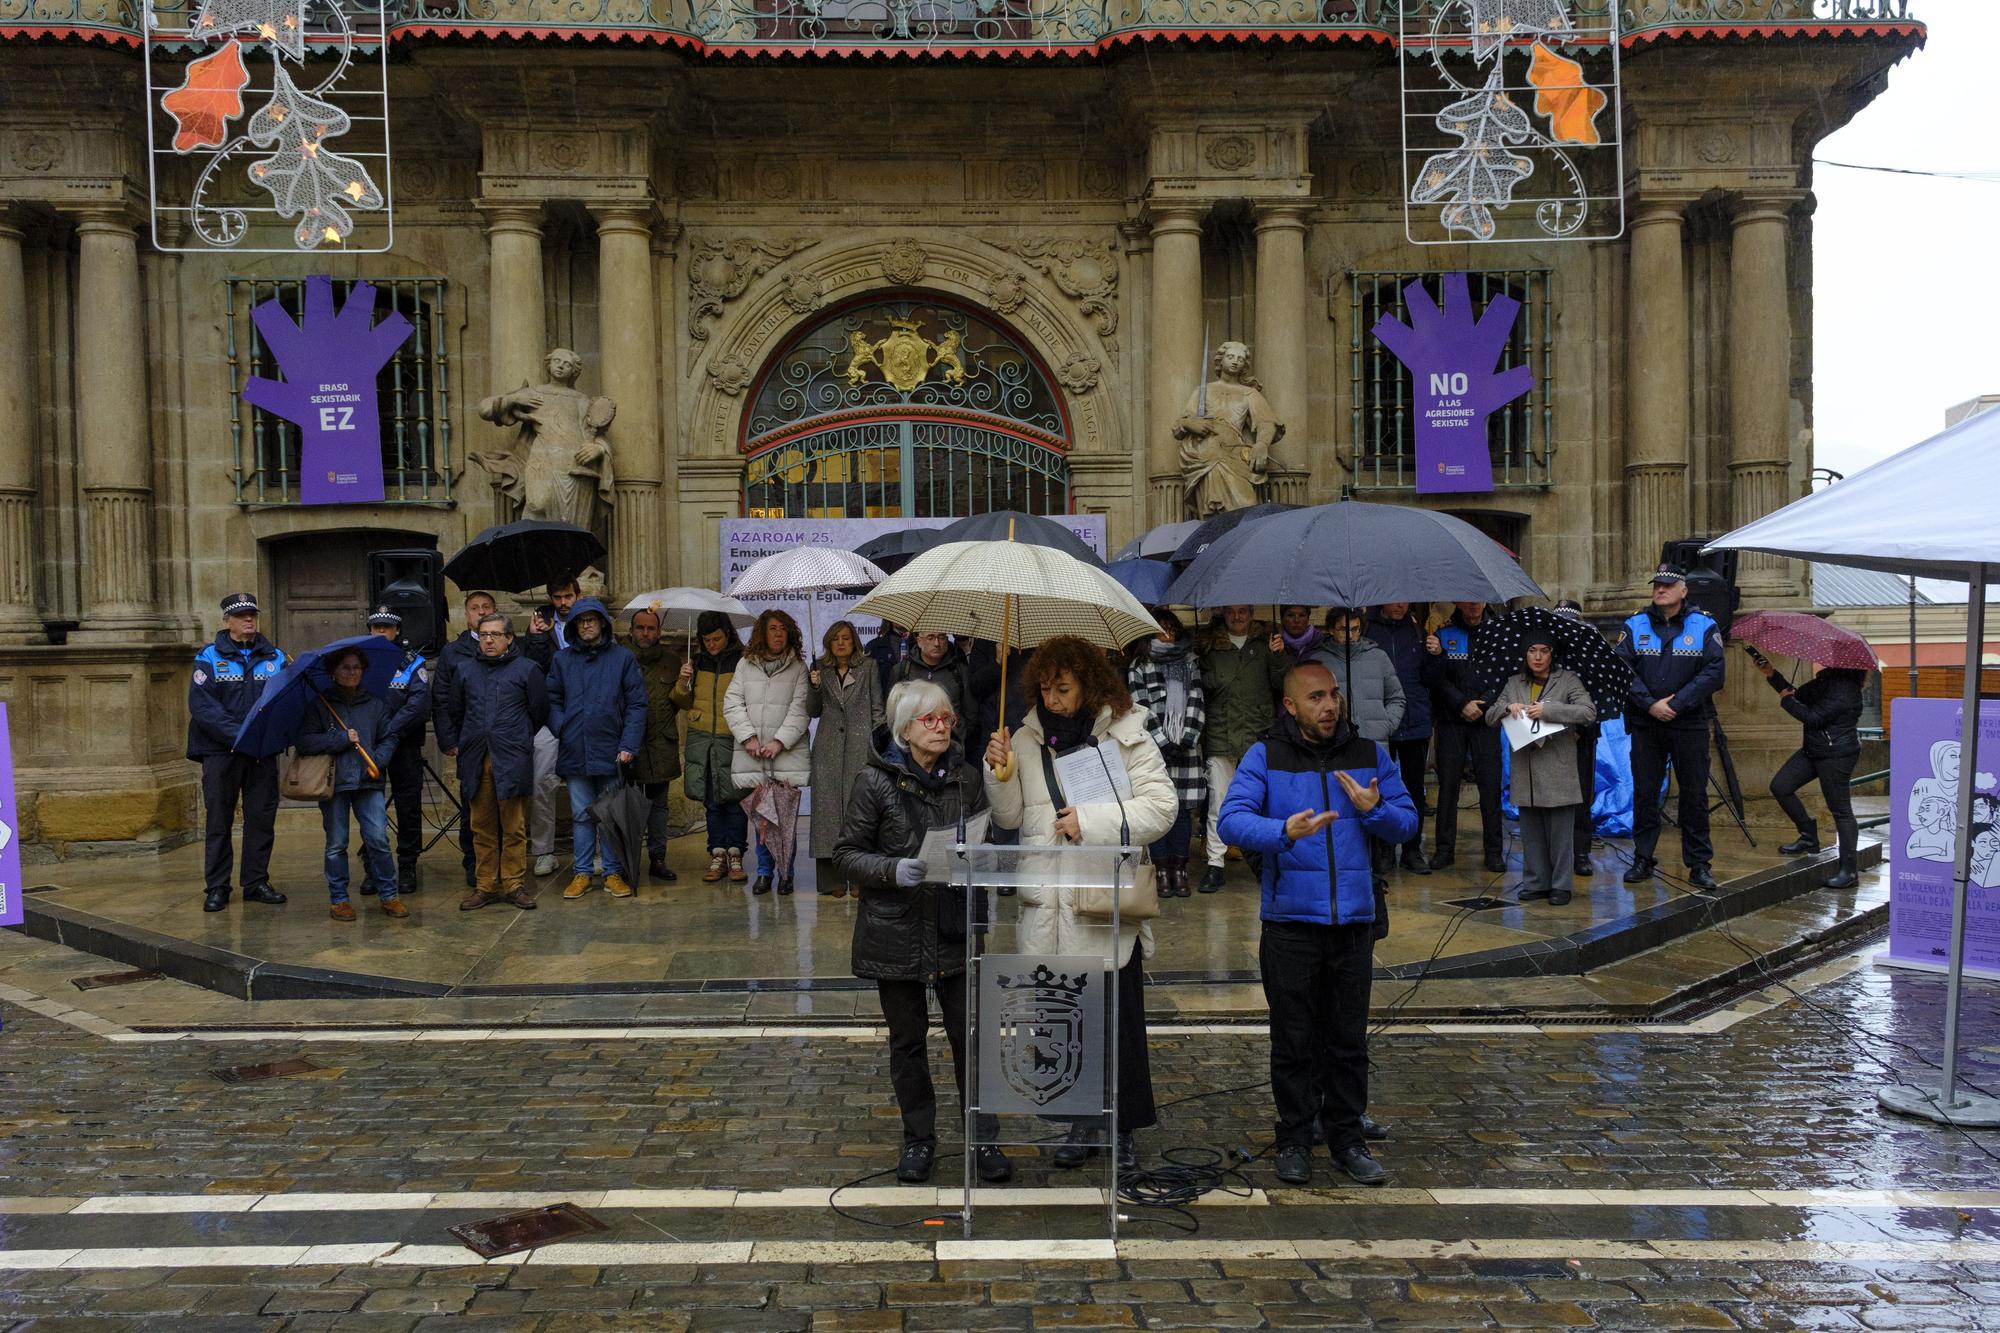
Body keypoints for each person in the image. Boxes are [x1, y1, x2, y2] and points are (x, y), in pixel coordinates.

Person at [1217, 661, 1418, 1187]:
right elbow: (1231, 820)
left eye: (1333, 695)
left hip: (1352, 920)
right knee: (1294, 1040)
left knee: (1348, 1040)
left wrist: (1375, 810)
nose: (1329, 706)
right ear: (1290, 705)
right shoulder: (1265, 755)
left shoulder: (1369, 754)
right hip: (1289, 922)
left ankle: (1346, 1138)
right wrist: (1281, 829)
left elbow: (1407, 822)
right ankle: (1294, 1137)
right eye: (1315, 698)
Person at [984, 636, 1178, 1172]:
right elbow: (1007, 818)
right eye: (1044, 687)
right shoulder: (1024, 738)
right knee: (1065, 1021)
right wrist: (997, 772)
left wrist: (1088, 824)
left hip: (1102, 903)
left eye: (1063, 688)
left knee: (1117, 1021)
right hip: (1047, 906)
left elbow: (1163, 809)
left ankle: (1124, 1128)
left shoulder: (1127, 733)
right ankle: (1081, 1119)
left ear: (1088, 685)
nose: (1051, 698)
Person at [835, 678, 1011, 1187]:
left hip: (954, 924)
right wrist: (893, 870)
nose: (941, 727)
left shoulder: (967, 778)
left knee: (970, 1038)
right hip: (897, 928)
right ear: (904, 728)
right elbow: (846, 853)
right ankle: (918, 1139)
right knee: (907, 1041)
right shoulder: (874, 782)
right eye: (930, 720)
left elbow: (991, 836)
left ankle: (983, 1136)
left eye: (947, 718)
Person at [1615, 567, 1726, 890]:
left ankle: (1699, 864)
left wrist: (1676, 704)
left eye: (1667, 585)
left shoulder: (1704, 624)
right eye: (1657, 585)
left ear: (1683, 590)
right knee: (1645, 793)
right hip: (1646, 722)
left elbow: (1714, 673)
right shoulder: (1635, 624)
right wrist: (1649, 703)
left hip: (1689, 722)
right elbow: (1621, 670)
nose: (1660, 590)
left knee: (1694, 795)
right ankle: (1643, 857)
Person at [188, 592, 290, 914]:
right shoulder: (207, 658)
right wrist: (242, 734)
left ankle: (256, 882)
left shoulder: (275, 656)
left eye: (252, 614)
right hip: (221, 752)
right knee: (219, 819)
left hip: (261, 752)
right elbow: (204, 708)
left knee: (261, 818)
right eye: (242, 615)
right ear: (226, 621)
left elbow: (286, 700)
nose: (249, 620)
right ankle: (217, 886)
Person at [437, 613, 547, 910]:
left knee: (513, 826)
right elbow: (456, 710)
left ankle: (513, 884)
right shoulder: (464, 671)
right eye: (484, 634)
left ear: (509, 638)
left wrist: (516, 736)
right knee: (481, 826)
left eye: (496, 635)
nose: (488, 640)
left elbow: (538, 712)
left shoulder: (527, 670)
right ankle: (485, 885)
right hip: (476, 757)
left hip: (511, 756)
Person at [294, 647, 410, 921]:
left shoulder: (375, 704)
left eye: (356, 667)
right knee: (336, 843)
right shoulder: (321, 705)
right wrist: (340, 739)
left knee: (378, 839)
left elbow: (389, 737)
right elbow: (305, 741)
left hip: (369, 781)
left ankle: (389, 895)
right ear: (334, 672)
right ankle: (339, 899)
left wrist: (379, 762)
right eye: (345, 667)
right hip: (334, 785)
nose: (351, 672)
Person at [1487, 630, 1597, 906]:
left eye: (1544, 651)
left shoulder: (1568, 680)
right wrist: (1506, 707)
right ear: (1525, 654)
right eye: (1532, 650)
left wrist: (1549, 710)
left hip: (1557, 765)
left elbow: (1587, 712)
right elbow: (1490, 715)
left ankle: (1561, 885)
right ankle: (1536, 881)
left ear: (1552, 654)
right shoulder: (1514, 682)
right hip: (1526, 767)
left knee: (1560, 833)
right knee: (1531, 830)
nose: (1537, 656)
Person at [548, 597, 647, 900]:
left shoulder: (622, 659)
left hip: (611, 749)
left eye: (592, 619)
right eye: (580, 620)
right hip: (575, 747)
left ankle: (613, 872)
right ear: (574, 626)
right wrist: (562, 727)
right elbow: (551, 698)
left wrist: (629, 743)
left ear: (603, 622)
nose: (586, 624)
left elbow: (636, 704)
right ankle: (582, 873)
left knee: (610, 815)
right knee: (580, 814)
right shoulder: (562, 661)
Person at [1752, 647, 1866, 890]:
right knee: (1781, 786)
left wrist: (1785, 700)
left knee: (1841, 810)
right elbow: (1797, 695)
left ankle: (1849, 871)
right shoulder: (1827, 680)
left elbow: (1812, 717)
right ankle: (1808, 836)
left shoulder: (1846, 690)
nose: (1824, 657)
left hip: (1836, 755)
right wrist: (1772, 674)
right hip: (1814, 749)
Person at [1197, 605, 1290, 894]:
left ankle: (1261, 861)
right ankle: (1215, 863)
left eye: (1243, 612)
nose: (1237, 617)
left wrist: (1278, 657)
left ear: (1251, 613)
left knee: (1261, 802)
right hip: (1221, 732)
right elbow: (1206, 687)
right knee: (1218, 801)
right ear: (1224, 614)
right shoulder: (1210, 647)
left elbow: (1281, 685)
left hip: (1256, 732)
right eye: (1232, 612)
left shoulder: (1266, 645)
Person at [1312, 608, 1406, 883]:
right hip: (1336, 746)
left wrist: (1385, 725)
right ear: (1331, 629)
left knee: (1378, 801)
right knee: (1341, 804)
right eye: (1343, 629)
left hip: (1374, 742)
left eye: (1355, 629)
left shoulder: (1377, 657)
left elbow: (1397, 697)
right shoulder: (1319, 660)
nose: (1350, 635)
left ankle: (1382, 859)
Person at [724, 608, 812, 896]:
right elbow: (732, 703)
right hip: (754, 755)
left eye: (783, 629)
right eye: (773, 628)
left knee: (784, 819)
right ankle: (764, 873)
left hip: (785, 755)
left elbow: (801, 709)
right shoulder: (744, 665)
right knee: (762, 819)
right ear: (763, 632)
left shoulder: (799, 667)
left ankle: (786, 872)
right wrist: (748, 737)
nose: (778, 634)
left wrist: (779, 741)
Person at [1127, 609, 1206, 899]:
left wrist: (1185, 739)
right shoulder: (1140, 665)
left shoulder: (1190, 662)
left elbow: (1197, 700)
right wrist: (1162, 742)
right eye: (1161, 628)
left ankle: (1179, 869)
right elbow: (1140, 707)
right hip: (1153, 748)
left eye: (1172, 627)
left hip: (1185, 748)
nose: (1168, 633)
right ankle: (1161, 869)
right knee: (1157, 807)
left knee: (1183, 810)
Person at [1424, 600, 1507, 873]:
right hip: (1451, 721)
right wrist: (1461, 703)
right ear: (1459, 603)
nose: (1474, 605)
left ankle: (1494, 851)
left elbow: (1503, 676)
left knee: (1490, 789)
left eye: (1478, 600)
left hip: (1486, 721)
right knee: (1448, 788)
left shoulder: (1498, 633)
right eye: (1469, 601)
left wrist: (1483, 703)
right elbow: (1436, 680)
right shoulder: (1444, 635)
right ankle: (1444, 850)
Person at [808, 620, 884, 898]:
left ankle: (861, 877)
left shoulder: (869, 666)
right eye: (836, 638)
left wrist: (876, 745)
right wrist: (814, 686)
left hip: (860, 747)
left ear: (854, 642)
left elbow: (878, 708)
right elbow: (812, 711)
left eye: (846, 638)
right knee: (827, 814)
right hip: (827, 749)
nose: (841, 643)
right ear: (828, 642)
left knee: (860, 813)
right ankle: (832, 881)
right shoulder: (818, 667)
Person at [673, 611, 749, 885]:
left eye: (716, 639)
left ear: (727, 634)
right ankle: (717, 854)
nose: (712, 645)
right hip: (703, 739)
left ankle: (736, 853)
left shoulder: (742, 660)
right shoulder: (697, 661)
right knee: (712, 801)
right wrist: (683, 680)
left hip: (733, 739)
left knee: (737, 800)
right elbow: (681, 702)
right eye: (706, 640)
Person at [360, 607, 430, 898]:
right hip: (369, 747)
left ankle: (407, 863)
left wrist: (389, 730)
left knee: (408, 805)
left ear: (397, 631)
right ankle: (373, 866)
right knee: (369, 806)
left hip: (405, 744)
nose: (381, 631)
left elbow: (419, 705)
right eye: (376, 627)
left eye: (387, 627)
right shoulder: (358, 661)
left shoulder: (414, 662)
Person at [434, 590, 498, 889]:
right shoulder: (453, 652)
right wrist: (449, 740)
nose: (481, 612)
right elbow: (442, 698)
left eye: (487, 607)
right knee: (471, 802)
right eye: (475, 608)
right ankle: (473, 862)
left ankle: (502, 863)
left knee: (505, 802)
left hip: (503, 741)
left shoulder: (509, 647)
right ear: (466, 614)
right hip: (468, 739)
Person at [1367, 602, 1434, 875]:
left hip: (1415, 719)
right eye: (1395, 600)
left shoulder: (1418, 630)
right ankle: (1383, 848)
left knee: (1414, 789)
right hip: (1379, 720)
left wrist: (1436, 655)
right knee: (1380, 788)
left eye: (1405, 601)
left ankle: (1411, 848)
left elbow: (1430, 677)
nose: (1400, 605)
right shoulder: (1370, 630)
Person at [621, 608, 684, 884]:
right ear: (631, 630)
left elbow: (679, 703)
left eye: (650, 629)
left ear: (658, 632)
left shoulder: (671, 661)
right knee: (629, 804)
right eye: (640, 628)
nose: (645, 634)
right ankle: (629, 858)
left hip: (660, 742)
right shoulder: (620, 659)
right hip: (629, 743)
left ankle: (658, 858)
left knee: (659, 805)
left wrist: (685, 684)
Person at [527, 579, 582, 877]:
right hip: (549, 717)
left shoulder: (590, 621)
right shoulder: (539, 624)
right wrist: (537, 639)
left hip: (584, 716)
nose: (563, 603)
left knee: (590, 783)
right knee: (541, 782)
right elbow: (533, 670)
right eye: (558, 597)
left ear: (578, 595)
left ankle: (594, 850)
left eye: (568, 596)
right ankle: (544, 851)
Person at [1553, 601, 1603, 880]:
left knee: (1582, 794)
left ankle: (1580, 852)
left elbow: (1599, 697)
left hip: (1583, 734)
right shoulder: (1546, 653)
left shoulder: (1592, 654)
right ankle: (1555, 851)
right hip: (1549, 733)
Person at [892, 630, 972, 747]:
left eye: (942, 637)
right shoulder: (904, 669)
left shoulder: (959, 670)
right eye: (930, 637)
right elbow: (894, 711)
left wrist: (960, 737)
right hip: (912, 746)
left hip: (952, 745)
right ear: (919, 641)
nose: (937, 643)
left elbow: (970, 713)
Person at [865, 620, 907, 699]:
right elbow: (867, 685)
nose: (899, 613)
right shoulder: (874, 646)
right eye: (895, 610)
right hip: (885, 705)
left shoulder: (922, 647)